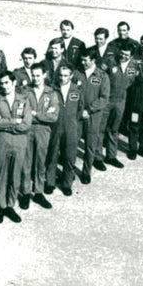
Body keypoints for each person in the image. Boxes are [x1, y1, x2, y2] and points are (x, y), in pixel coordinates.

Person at [0, 71, 32, 223]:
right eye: (1, 83)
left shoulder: (24, 100)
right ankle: (0, 207)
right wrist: (14, 121)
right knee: (1, 175)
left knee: (15, 175)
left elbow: (27, 124)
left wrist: (6, 124)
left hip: (20, 142)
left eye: (7, 83)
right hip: (1, 141)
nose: (4, 86)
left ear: (14, 83)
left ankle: (10, 205)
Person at [22, 63, 58, 208]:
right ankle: (25, 192)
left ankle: (38, 192)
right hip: (28, 129)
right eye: (33, 75)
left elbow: (53, 116)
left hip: (43, 131)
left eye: (38, 75)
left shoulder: (51, 93)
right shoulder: (25, 91)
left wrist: (35, 114)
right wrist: (42, 115)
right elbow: (22, 112)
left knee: (40, 161)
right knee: (26, 162)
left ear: (44, 75)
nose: (35, 78)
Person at [74, 49, 110, 182]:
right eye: (82, 60)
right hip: (77, 115)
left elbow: (104, 98)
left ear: (93, 60)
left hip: (93, 116)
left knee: (90, 145)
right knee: (73, 143)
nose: (83, 62)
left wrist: (89, 110)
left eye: (85, 60)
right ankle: (70, 171)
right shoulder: (76, 74)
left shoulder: (102, 76)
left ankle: (86, 172)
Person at [48, 65, 84, 196]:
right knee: (52, 155)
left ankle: (67, 183)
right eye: (60, 75)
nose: (62, 78)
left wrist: (72, 122)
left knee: (69, 157)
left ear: (71, 76)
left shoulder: (77, 91)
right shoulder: (52, 90)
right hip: (55, 127)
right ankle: (50, 182)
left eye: (65, 76)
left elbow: (80, 109)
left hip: (71, 128)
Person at [99, 47, 138, 168]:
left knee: (114, 129)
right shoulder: (110, 61)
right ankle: (97, 157)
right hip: (107, 100)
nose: (123, 56)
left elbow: (132, 80)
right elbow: (99, 76)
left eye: (126, 54)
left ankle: (111, 156)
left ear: (131, 56)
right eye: (121, 53)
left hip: (120, 100)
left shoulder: (134, 65)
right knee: (100, 129)